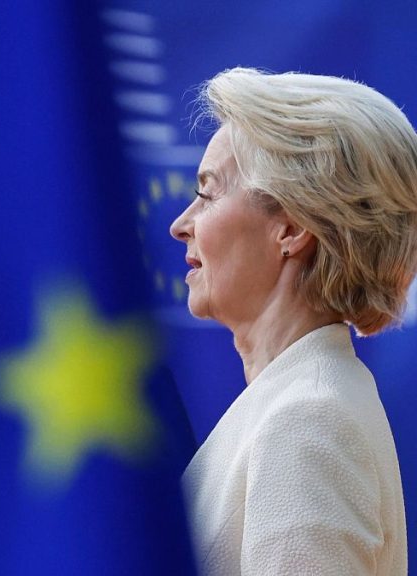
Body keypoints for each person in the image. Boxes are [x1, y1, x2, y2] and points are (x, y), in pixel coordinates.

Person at [170, 67, 411, 575]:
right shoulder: (295, 401)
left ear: (293, 227)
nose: (181, 225)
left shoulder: (307, 418)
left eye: (207, 194)